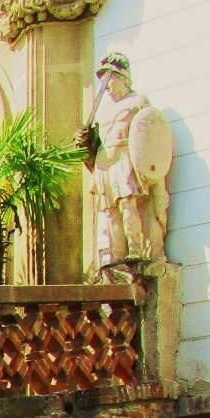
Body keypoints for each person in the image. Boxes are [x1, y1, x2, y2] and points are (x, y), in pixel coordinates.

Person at [81, 51, 172, 275]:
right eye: (104, 79)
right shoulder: (101, 108)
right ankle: (117, 255)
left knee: (127, 204)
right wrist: (84, 141)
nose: (107, 84)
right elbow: (93, 141)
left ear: (122, 77)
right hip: (105, 159)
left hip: (124, 156)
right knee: (110, 211)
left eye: (110, 78)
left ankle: (136, 251)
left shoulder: (137, 102)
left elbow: (149, 130)